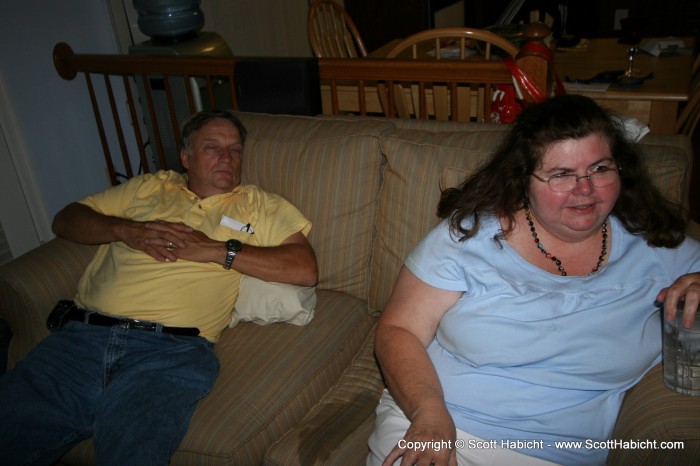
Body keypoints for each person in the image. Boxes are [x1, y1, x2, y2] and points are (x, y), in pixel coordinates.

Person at [367, 95, 700, 466]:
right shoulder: (469, 238)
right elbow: (398, 329)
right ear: (523, 179)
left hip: (557, 453)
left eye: (600, 169)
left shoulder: (658, 247)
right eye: (561, 174)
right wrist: (429, 414)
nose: (585, 189)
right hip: (437, 423)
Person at [0, 109, 318, 465]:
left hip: (170, 354)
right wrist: (127, 230)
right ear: (186, 157)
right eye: (213, 147)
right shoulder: (148, 187)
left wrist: (215, 250)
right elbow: (66, 218)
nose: (227, 157)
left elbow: (304, 268)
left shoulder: (259, 205)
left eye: (235, 150)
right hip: (80, 341)